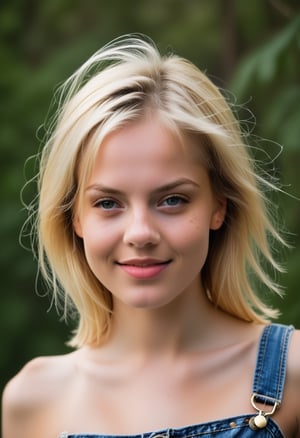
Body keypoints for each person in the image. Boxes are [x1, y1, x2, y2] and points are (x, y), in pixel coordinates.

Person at [2, 34, 300, 438]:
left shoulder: (293, 375)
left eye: (173, 200)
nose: (140, 233)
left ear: (220, 206)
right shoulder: (32, 400)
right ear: (75, 219)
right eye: (107, 203)